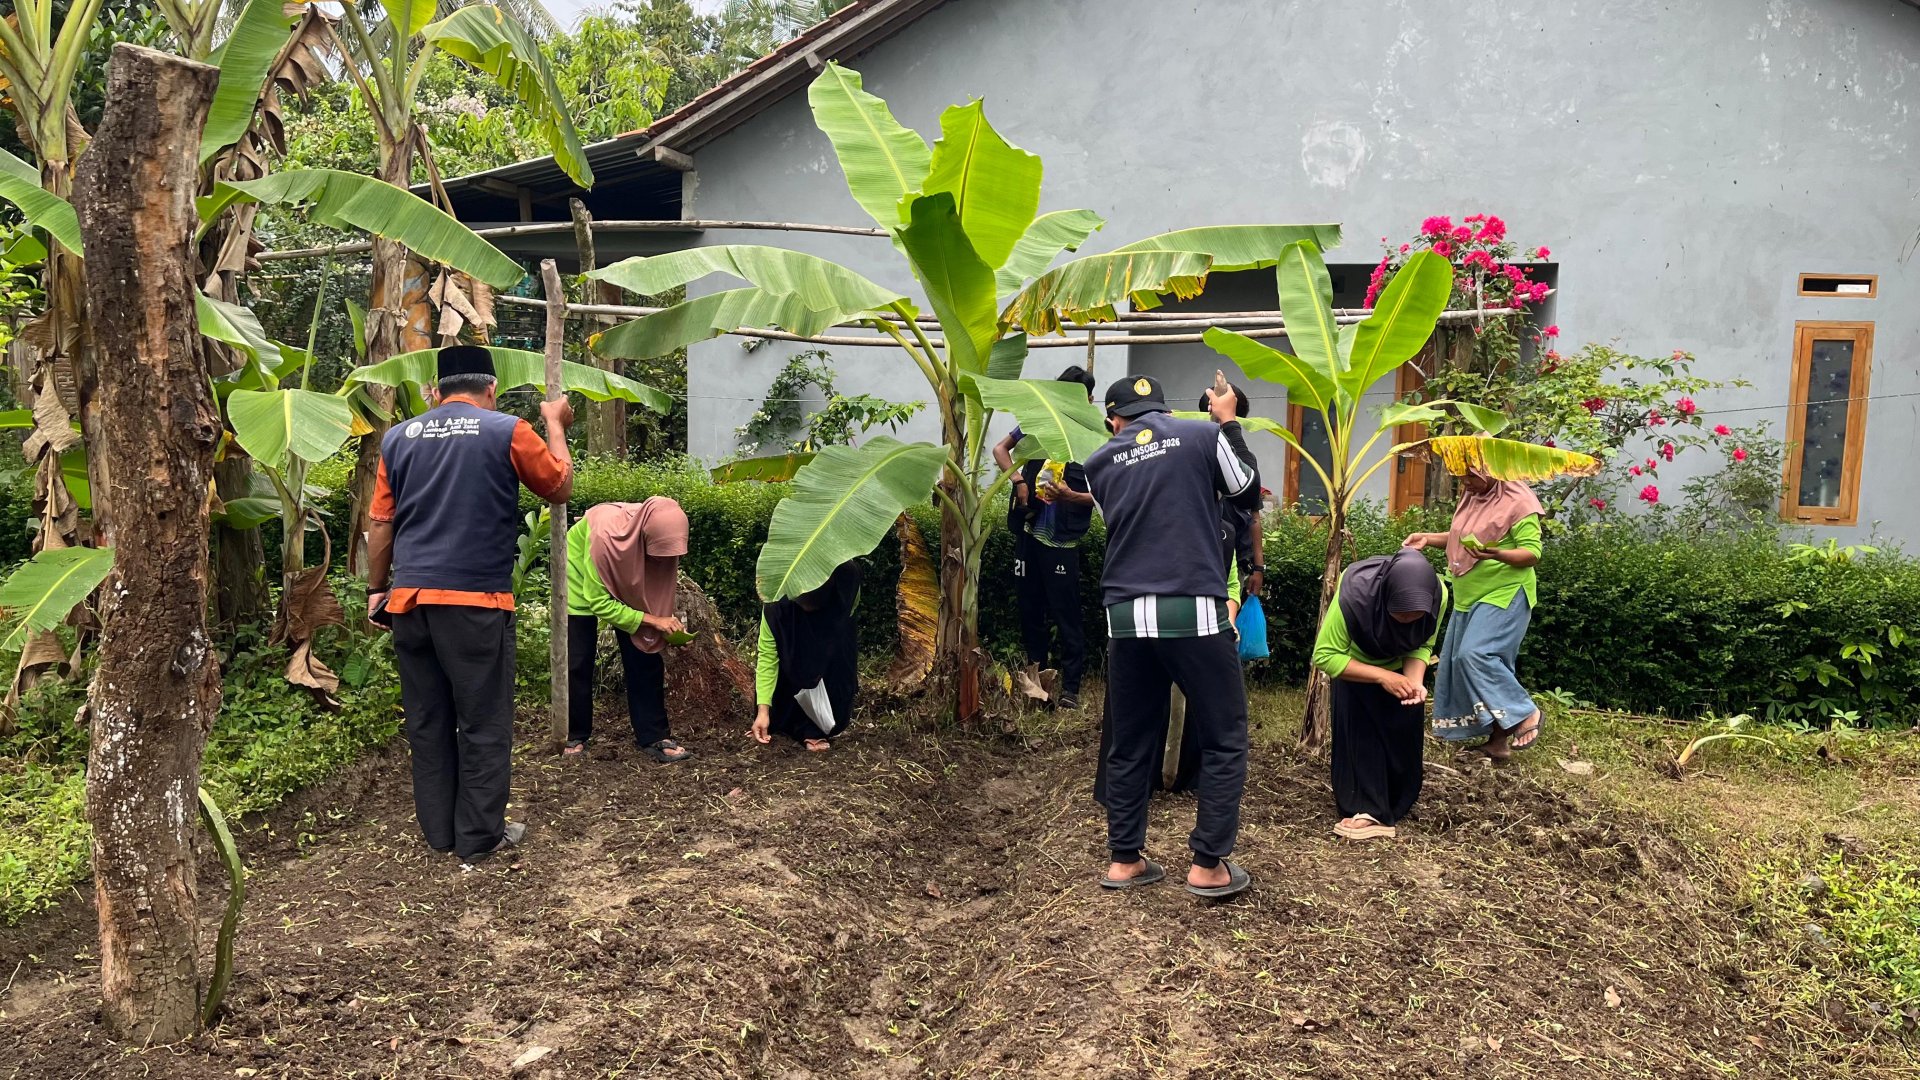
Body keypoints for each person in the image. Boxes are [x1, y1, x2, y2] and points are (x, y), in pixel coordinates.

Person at [367, 345, 573, 862]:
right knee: (483, 722)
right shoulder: (506, 429)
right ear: (491, 389)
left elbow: (381, 525)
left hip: (409, 600)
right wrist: (555, 423)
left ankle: (439, 833)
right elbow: (559, 486)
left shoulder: (398, 437)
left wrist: (377, 591)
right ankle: (478, 838)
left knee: (428, 719)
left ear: (435, 392)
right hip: (475, 601)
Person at [1084, 371, 1261, 899]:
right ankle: (1208, 866)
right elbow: (1246, 491)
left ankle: (1123, 860)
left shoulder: (1097, 464)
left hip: (1125, 616)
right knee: (1224, 734)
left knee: (1132, 737)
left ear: (1114, 420)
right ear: (1164, 409)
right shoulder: (1202, 436)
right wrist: (1226, 420)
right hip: (1194, 611)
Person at [1404, 467, 1545, 760]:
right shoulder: (1473, 495)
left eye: (1471, 476)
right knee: (1461, 662)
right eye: (1461, 477)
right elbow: (1462, 536)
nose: (1465, 483)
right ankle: (1497, 743)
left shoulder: (1519, 501)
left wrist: (1496, 553)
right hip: (1470, 597)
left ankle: (1525, 712)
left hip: (1505, 593)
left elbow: (1532, 553)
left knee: (1476, 654)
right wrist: (1428, 538)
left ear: (1491, 468)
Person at [1312, 549, 1444, 842]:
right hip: (1355, 667)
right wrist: (1382, 676)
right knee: (1363, 739)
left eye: (1415, 616)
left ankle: (1394, 803)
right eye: (1400, 614)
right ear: (1384, 598)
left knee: (1402, 739)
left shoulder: (1439, 594)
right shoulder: (1354, 592)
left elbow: (1423, 643)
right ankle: (1368, 810)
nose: (1408, 623)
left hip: (1400, 668)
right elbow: (1325, 655)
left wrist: (1413, 681)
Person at [991, 366, 1097, 709]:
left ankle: (1070, 689)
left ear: (1088, 400)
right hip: (1029, 532)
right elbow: (999, 450)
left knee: (1066, 615)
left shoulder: (1094, 434)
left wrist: (1070, 497)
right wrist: (1019, 482)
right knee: (1030, 610)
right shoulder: (1037, 420)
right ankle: (1033, 684)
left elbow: (1104, 496)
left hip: (1062, 541)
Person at [564, 498, 693, 762]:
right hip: (583, 573)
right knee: (578, 659)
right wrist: (653, 619)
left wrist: (663, 626)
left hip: (631, 566)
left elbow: (658, 588)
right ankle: (575, 734)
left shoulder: (658, 531)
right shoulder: (604, 540)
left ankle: (654, 735)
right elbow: (598, 602)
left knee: (644, 653)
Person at [750, 560, 864, 751]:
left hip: (832, 631)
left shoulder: (846, 578)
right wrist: (763, 711)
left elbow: (852, 606)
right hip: (793, 644)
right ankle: (779, 719)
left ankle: (816, 728)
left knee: (838, 663)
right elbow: (768, 657)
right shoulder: (776, 605)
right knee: (792, 658)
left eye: (812, 603)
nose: (807, 607)